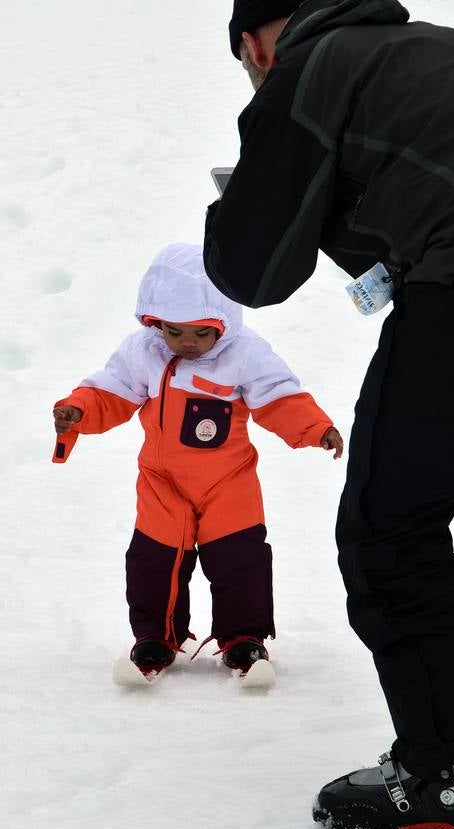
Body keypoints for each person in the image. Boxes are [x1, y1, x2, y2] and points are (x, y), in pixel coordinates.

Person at [203, 0, 454, 829]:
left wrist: (229, 213)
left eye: (246, 59)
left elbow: (255, 270)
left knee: (389, 533)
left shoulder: (308, 70)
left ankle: (452, 773)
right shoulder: (443, 48)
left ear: (255, 41)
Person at [52, 243, 343, 678]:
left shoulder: (245, 353)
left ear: (223, 323)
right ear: (155, 322)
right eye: (174, 331)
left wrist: (316, 428)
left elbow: (279, 396)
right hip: (161, 481)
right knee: (153, 560)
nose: (186, 343)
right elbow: (111, 390)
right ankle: (155, 638)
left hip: (229, 482)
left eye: (200, 333)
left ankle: (245, 640)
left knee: (239, 560)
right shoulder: (144, 352)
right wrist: (79, 409)